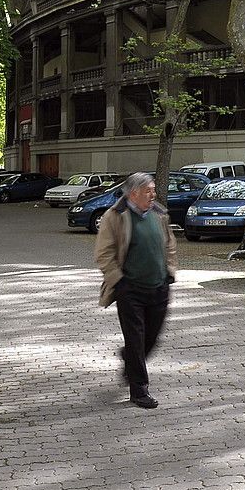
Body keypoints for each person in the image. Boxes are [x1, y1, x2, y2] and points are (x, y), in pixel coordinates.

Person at [93, 171, 177, 409]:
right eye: (148, 191)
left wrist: (169, 271)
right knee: (135, 338)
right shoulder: (115, 216)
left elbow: (169, 243)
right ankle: (139, 390)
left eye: (153, 190)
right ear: (134, 193)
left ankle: (129, 357)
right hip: (130, 289)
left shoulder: (159, 214)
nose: (153, 195)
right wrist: (118, 282)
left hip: (159, 286)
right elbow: (104, 253)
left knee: (151, 337)